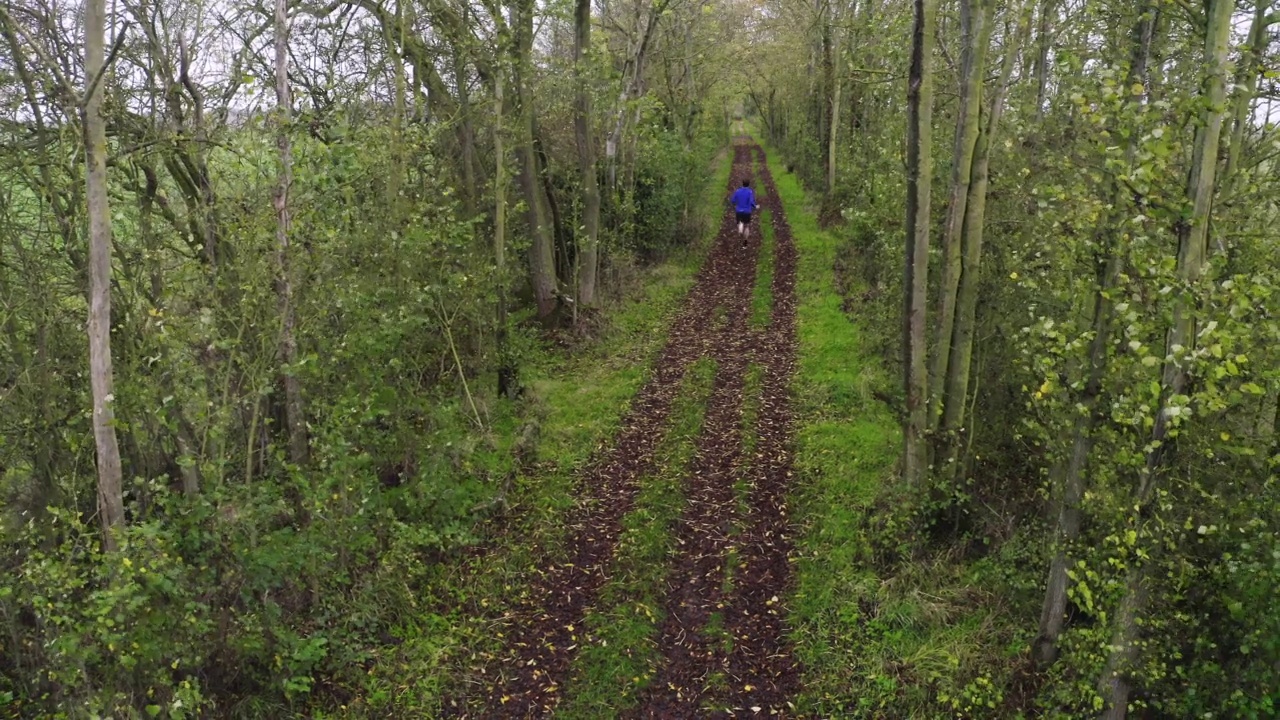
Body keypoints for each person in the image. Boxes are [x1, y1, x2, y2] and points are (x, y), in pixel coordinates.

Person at [730, 178, 758, 246]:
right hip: (747, 211)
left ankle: (740, 228)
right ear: (749, 184)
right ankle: (745, 240)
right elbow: (751, 202)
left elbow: (733, 200)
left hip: (739, 210)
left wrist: (735, 204)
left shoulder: (737, 191)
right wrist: (755, 206)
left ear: (742, 183)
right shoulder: (750, 192)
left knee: (740, 222)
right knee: (747, 226)